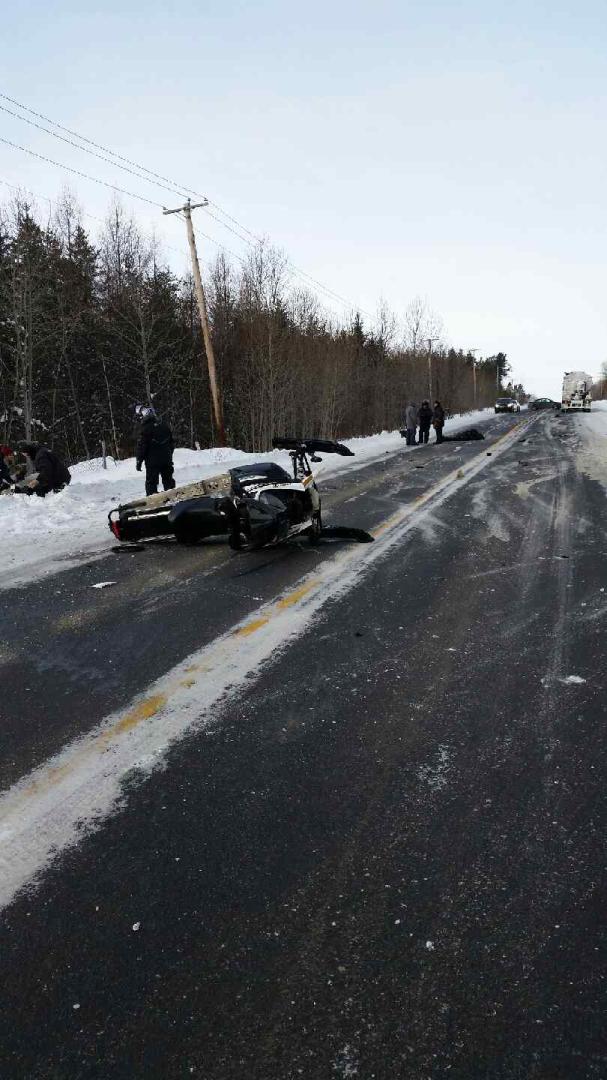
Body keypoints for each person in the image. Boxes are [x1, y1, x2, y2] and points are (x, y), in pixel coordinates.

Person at [135, 406, 175, 496]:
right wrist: (169, 455)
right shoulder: (164, 426)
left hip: (152, 462)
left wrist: (139, 461)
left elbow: (142, 447)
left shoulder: (145, 429)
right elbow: (171, 443)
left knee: (151, 483)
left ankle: (152, 500)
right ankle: (172, 496)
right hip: (166, 459)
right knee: (168, 480)